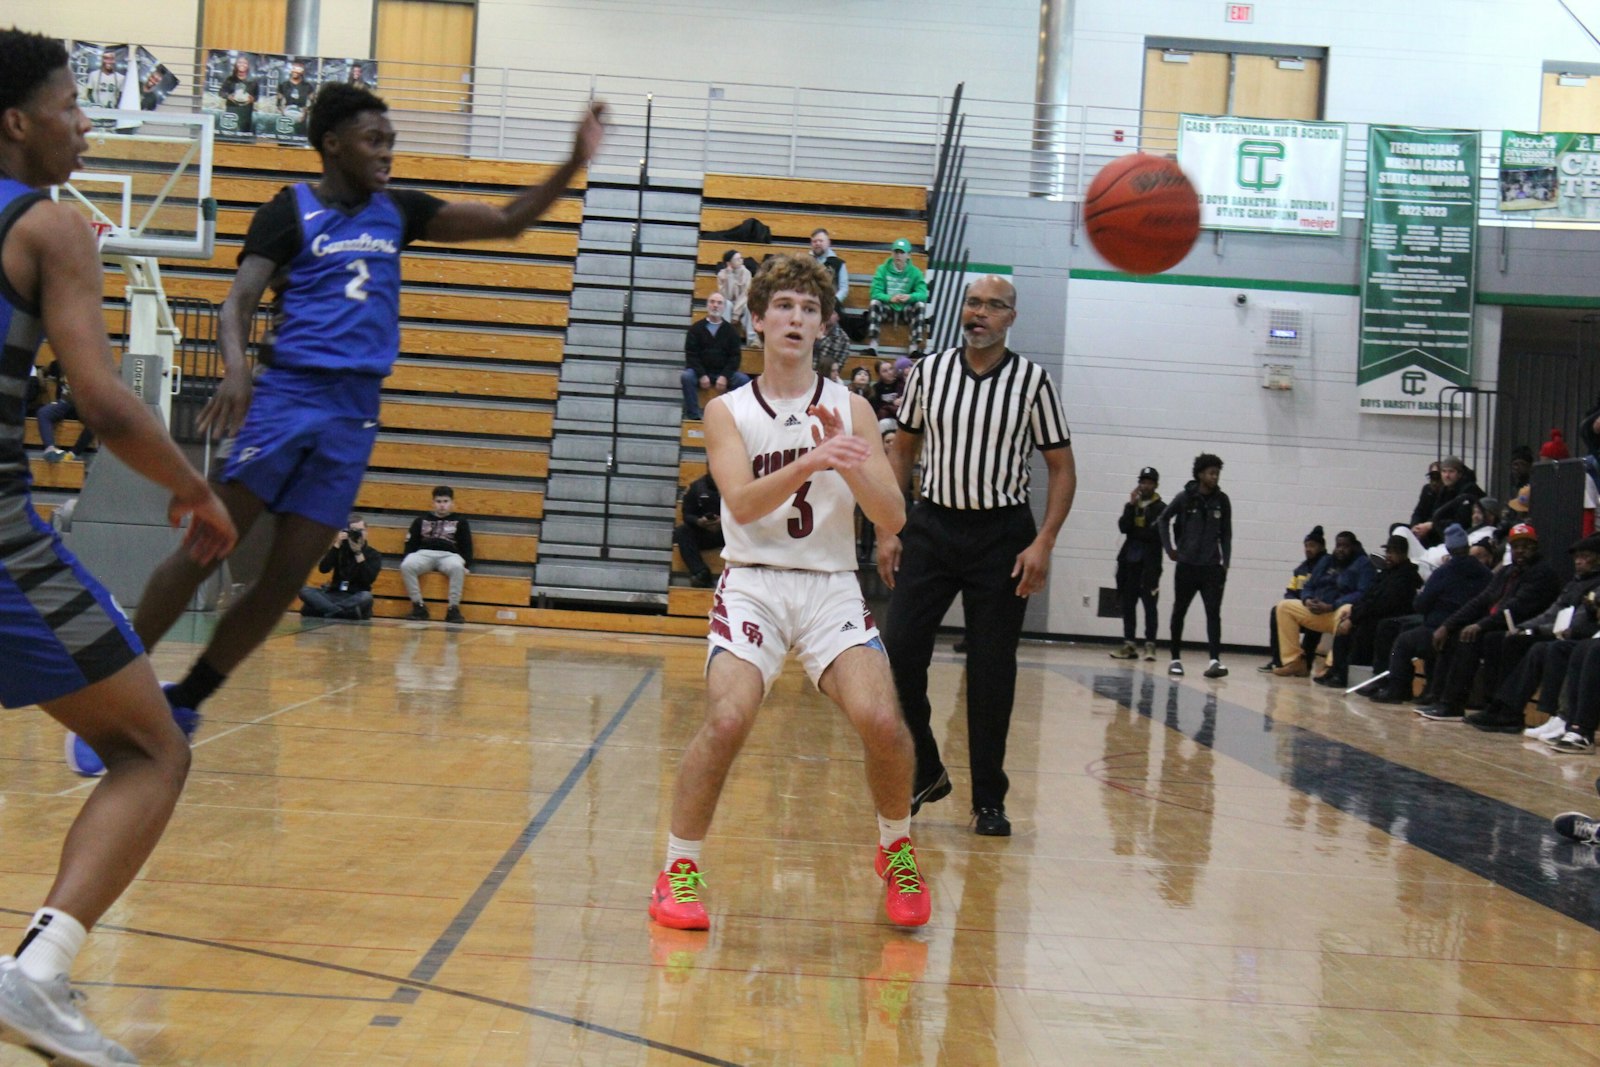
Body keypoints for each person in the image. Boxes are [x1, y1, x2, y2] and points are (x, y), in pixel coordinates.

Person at [63, 84, 605, 774]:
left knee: (284, 579)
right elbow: (237, 303)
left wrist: (572, 159)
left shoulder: (400, 211)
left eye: (390, 141)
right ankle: (111, 700)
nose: (387, 152)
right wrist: (236, 371)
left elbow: (506, 221)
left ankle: (189, 698)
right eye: (374, 140)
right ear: (332, 144)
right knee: (207, 544)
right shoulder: (289, 211)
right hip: (287, 397)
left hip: (354, 414)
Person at [0, 30, 237, 1061]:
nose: (85, 123)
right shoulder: (51, 225)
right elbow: (100, 398)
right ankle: (34, 973)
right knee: (152, 746)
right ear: (17, 122)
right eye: (69, 105)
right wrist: (194, 490)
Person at [648, 253, 928, 931]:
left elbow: (893, 518)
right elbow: (739, 503)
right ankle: (678, 868)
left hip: (830, 584)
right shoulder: (728, 410)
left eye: (809, 308)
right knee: (726, 719)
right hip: (753, 585)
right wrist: (813, 458)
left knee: (885, 721)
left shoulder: (852, 407)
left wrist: (853, 465)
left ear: (825, 323)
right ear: (757, 320)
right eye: (783, 307)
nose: (795, 318)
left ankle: (897, 849)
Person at [877, 275, 1075, 837]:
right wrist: (892, 528)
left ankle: (989, 799)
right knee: (900, 655)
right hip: (933, 527)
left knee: (992, 672)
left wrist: (1044, 543)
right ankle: (926, 768)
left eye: (993, 306)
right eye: (973, 303)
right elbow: (903, 450)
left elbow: (1062, 468)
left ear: (1011, 318)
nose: (980, 313)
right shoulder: (930, 373)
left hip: (1002, 536)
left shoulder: (1033, 382)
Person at [1415, 522, 1561, 721]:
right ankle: (1445, 700)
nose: (1521, 551)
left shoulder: (1542, 574)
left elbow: (1517, 608)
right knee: (1455, 635)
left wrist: (1480, 625)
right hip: (1497, 623)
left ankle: (1493, 706)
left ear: (1535, 547)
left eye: (1526, 546)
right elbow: (1480, 600)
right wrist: (1447, 624)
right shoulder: (1507, 571)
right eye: (1516, 546)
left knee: (1484, 638)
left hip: (1522, 627)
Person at [1466, 532, 1600, 733]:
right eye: (1577, 557)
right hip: (1560, 631)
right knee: (1508, 639)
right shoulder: (1574, 583)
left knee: (1544, 648)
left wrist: (1537, 629)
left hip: (1579, 634)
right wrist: (1526, 627)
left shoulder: (1595, 585)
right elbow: (1551, 613)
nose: (1579, 562)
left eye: (1585, 556)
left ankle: (1540, 714)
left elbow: (1579, 621)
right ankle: (1499, 705)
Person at [1369, 524, 1492, 704]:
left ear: (1448, 547)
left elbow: (1421, 604)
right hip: (1470, 629)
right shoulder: (1485, 573)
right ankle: (1431, 689)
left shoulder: (1444, 572)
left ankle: (1398, 689)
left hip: (1441, 626)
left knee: (1403, 642)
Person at [1158, 453, 1232, 679]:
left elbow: (1226, 534)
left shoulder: (1222, 500)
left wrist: (1225, 562)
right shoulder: (1185, 498)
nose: (1215, 476)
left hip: (1211, 568)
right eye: (1211, 472)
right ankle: (1175, 659)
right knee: (1179, 611)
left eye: (1217, 473)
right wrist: (1170, 549)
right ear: (1200, 474)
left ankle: (1214, 661)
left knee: (1213, 613)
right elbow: (1163, 519)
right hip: (1187, 565)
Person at [1317, 534, 1423, 689]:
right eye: (1388, 552)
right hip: (1374, 615)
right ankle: (1337, 670)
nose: (1388, 556)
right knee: (1344, 623)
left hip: (1390, 619)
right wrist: (1353, 611)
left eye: (1392, 553)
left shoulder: (1406, 576)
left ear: (1402, 554)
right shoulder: (1386, 573)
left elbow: (1383, 604)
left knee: (1360, 629)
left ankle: (1347, 673)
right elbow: (1368, 596)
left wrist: (1354, 618)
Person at [1270, 531, 1375, 678]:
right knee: (1284, 607)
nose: (1340, 549)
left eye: (1345, 546)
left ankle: (1331, 665)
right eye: (1338, 545)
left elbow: (1363, 593)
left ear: (1354, 547)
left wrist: (1333, 605)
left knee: (1347, 609)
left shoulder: (1363, 564)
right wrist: (1308, 600)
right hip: (1317, 610)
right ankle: (1295, 662)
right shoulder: (1327, 561)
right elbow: (1309, 585)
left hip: (1336, 613)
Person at [1110, 466, 1162, 661]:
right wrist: (1131, 506)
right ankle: (1129, 644)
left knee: (1150, 605)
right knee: (1128, 603)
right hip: (1130, 561)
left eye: (1149, 482)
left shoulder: (1160, 508)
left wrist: (1136, 531)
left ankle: (1150, 645)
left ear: (1155, 485)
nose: (1145, 485)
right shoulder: (1132, 505)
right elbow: (1124, 527)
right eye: (1143, 482)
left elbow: (1154, 534)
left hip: (1149, 564)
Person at [1258, 526, 1328, 672]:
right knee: (1277, 611)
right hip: (1302, 607)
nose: (1308, 549)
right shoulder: (1300, 569)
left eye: (1312, 546)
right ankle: (1279, 660)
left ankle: (1305, 662)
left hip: (1321, 609)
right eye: (1306, 546)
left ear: (1321, 547)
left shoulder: (1327, 565)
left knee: (1314, 614)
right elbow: (1290, 592)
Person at [401, 486, 472, 622]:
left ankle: (453, 608)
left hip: (449, 555)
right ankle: (418, 605)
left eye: (445, 501)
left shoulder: (461, 521)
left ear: (452, 503)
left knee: (457, 567)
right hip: (424, 553)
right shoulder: (420, 520)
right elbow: (410, 543)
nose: (442, 505)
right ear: (433, 503)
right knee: (407, 565)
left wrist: (466, 564)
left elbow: (467, 545)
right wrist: (408, 556)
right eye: (439, 501)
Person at [299, 514, 382, 619]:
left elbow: (368, 579)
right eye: (353, 531)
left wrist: (358, 553)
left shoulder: (373, 554)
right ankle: (343, 613)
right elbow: (323, 569)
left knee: (366, 597)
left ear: (366, 532)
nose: (358, 534)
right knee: (304, 590)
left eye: (360, 530)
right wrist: (336, 544)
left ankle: (326, 609)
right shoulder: (340, 549)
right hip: (334, 594)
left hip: (355, 596)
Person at [681, 291, 748, 421]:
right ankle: (694, 416)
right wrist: (701, 375)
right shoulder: (696, 329)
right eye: (712, 302)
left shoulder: (731, 331)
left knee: (743, 380)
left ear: (724, 307)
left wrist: (724, 376)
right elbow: (691, 355)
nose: (715, 305)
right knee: (686, 376)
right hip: (700, 372)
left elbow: (735, 357)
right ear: (707, 305)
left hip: (722, 373)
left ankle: (731, 416)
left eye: (719, 303)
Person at [866, 239, 928, 357]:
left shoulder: (916, 272)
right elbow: (874, 293)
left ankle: (913, 347)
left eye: (902, 253)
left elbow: (923, 294)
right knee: (874, 303)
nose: (898, 255)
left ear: (908, 255)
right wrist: (890, 298)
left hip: (906, 310)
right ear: (892, 253)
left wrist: (910, 297)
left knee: (919, 304)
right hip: (888, 308)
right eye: (896, 252)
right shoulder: (882, 269)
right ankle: (873, 346)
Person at [1410, 455, 1483, 547]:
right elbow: (1431, 512)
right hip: (1442, 529)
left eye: (1451, 472)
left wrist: (1432, 525)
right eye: (1444, 471)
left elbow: (1462, 522)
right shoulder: (1445, 489)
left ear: (1459, 474)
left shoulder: (1469, 490)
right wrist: (1417, 526)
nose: (1447, 476)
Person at [35, 362, 94, 461]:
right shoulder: (58, 363)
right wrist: (41, 378)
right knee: (43, 412)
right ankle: (50, 449)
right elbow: (42, 370)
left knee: (96, 421)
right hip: (64, 403)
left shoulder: (91, 365)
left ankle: (72, 454)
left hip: (84, 406)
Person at [673, 470, 722, 587]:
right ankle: (701, 572)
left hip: (729, 533)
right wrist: (699, 521)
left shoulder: (736, 486)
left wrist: (724, 521)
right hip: (704, 532)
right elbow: (687, 515)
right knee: (682, 532)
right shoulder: (696, 487)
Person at [808, 228, 849, 308]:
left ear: (828, 243)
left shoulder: (839, 264)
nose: (817, 243)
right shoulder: (805, 262)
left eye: (821, 241)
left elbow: (844, 289)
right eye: (815, 241)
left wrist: (832, 304)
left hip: (832, 306)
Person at [219, 55, 258, 137]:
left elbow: (257, 97)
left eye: (245, 63)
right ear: (236, 64)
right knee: (230, 136)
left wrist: (252, 99)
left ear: (248, 66)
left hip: (246, 113)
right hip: (232, 111)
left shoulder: (253, 81)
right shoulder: (230, 80)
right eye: (240, 62)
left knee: (244, 136)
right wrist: (228, 96)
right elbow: (221, 92)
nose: (242, 65)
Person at [716, 249, 751, 336]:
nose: (741, 261)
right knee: (727, 304)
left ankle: (753, 339)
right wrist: (730, 276)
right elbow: (726, 296)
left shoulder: (746, 273)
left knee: (748, 306)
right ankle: (724, 336)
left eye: (741, 258)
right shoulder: (721, 274)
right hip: (729, 302)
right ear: (729, 263)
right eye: (737, 259)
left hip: (742, 303)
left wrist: (736, 314)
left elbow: (745, 294)